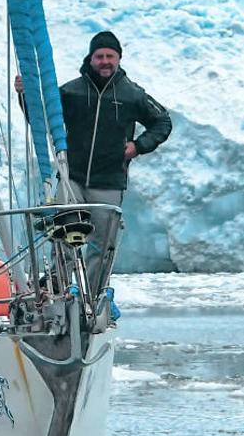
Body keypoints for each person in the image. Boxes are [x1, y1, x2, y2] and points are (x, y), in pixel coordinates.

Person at [15, 31, 172, 299]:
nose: (105, 61)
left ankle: (92, 297)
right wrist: (25, 95)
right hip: (72, 177)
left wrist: (138, 146)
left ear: (119, 59)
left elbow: (163, 122)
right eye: (100, 56)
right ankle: (57, 290)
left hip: (109, 181)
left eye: (110, 56)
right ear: (91, 58)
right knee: (63, 232)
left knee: (101, 246)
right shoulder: (72, 91)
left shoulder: (132, 95)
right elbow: (40, 119)